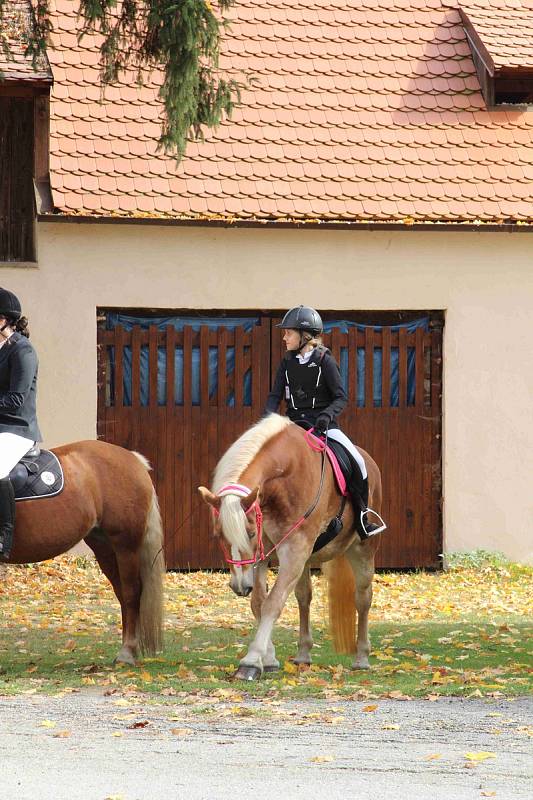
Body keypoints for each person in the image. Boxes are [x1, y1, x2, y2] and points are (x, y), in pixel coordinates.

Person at [264, 305, 385, 538]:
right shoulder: (287, 363)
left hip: (323, 426)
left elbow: (341, 397)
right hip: (293, 427)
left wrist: (326, 416)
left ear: (304, 335)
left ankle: (362, 517)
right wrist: (266, 422)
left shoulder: (324, 361)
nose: (284, 337)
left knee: (358, 462)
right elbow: (274, 397)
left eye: (288, 332)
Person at [0, 289, 41, 559]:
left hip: (18, 430)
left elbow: (15, 399)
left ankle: (4, 535)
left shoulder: (22, 351)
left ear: (3, 319)